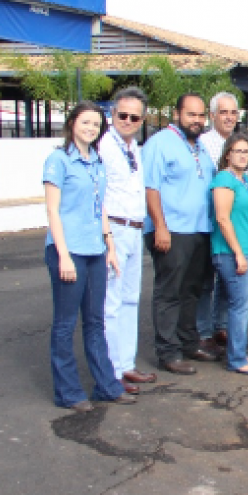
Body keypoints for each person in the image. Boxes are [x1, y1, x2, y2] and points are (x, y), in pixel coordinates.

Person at [42, 102, 135, 411]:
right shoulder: (58, 161)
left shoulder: (96, 161)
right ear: (71, 124)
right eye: (85, 123)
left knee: (95, 321)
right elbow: (53, 211)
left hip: (95, 250)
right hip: (69, 252)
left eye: (96, 124)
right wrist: (63, 255)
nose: (91, 128)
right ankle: (68, 392)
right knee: (65, 324)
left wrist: (109, 244)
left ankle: (106, 386)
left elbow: (101, 207)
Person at [144, 93, 219, 376]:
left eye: (201, 116)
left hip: (199, 230)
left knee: (192, 291)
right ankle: (168, 351)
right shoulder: (160, 144)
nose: (197, 121)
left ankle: (189, 343)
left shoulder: (199, 147)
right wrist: (159, 226)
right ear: (177, 114)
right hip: (172, 230)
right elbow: (151, 188)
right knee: (169, 292)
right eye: (191, 115)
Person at [100, 87, 155, 395]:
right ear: (113, 115)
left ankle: (126, 364)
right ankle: (110, 371)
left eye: (135, 117)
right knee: (111, 302)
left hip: (135, 229)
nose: (128, 121)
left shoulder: (134, 148)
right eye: (123, 115)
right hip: (115, 230)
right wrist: (107, 238)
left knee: (131, 298)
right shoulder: (103, 147)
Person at [209, 132, 248, 375]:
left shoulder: (244, 179)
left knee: (239, 303)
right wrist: (239, 254)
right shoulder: (224, 179)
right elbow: (223, 218)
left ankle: (239, 352)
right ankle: (237, 358)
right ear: (227, 154)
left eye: (246, 151)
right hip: (231, 252)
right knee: (240, 305)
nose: (243, 156)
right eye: (237, 151)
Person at [197, 91, 241, 349]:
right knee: (205, 281)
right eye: (223, 112)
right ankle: (203, 331)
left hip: (231, 223)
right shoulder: (202, 144)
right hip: (208, 221)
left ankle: (221, 326)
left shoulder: (239, 144)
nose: (228, 117)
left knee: (228, 277)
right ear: (212, 115)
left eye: (233, 112)